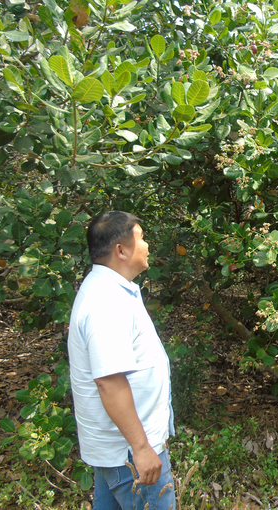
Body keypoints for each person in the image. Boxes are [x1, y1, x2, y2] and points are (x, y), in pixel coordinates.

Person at [68, 211, 176, 510]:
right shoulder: (106, 303)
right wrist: (141, 450)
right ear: (121, 250)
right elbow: (109, 382)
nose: (147, 246)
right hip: (128, 451)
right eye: (142, 238)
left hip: (119, 447)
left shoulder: (110, 290)